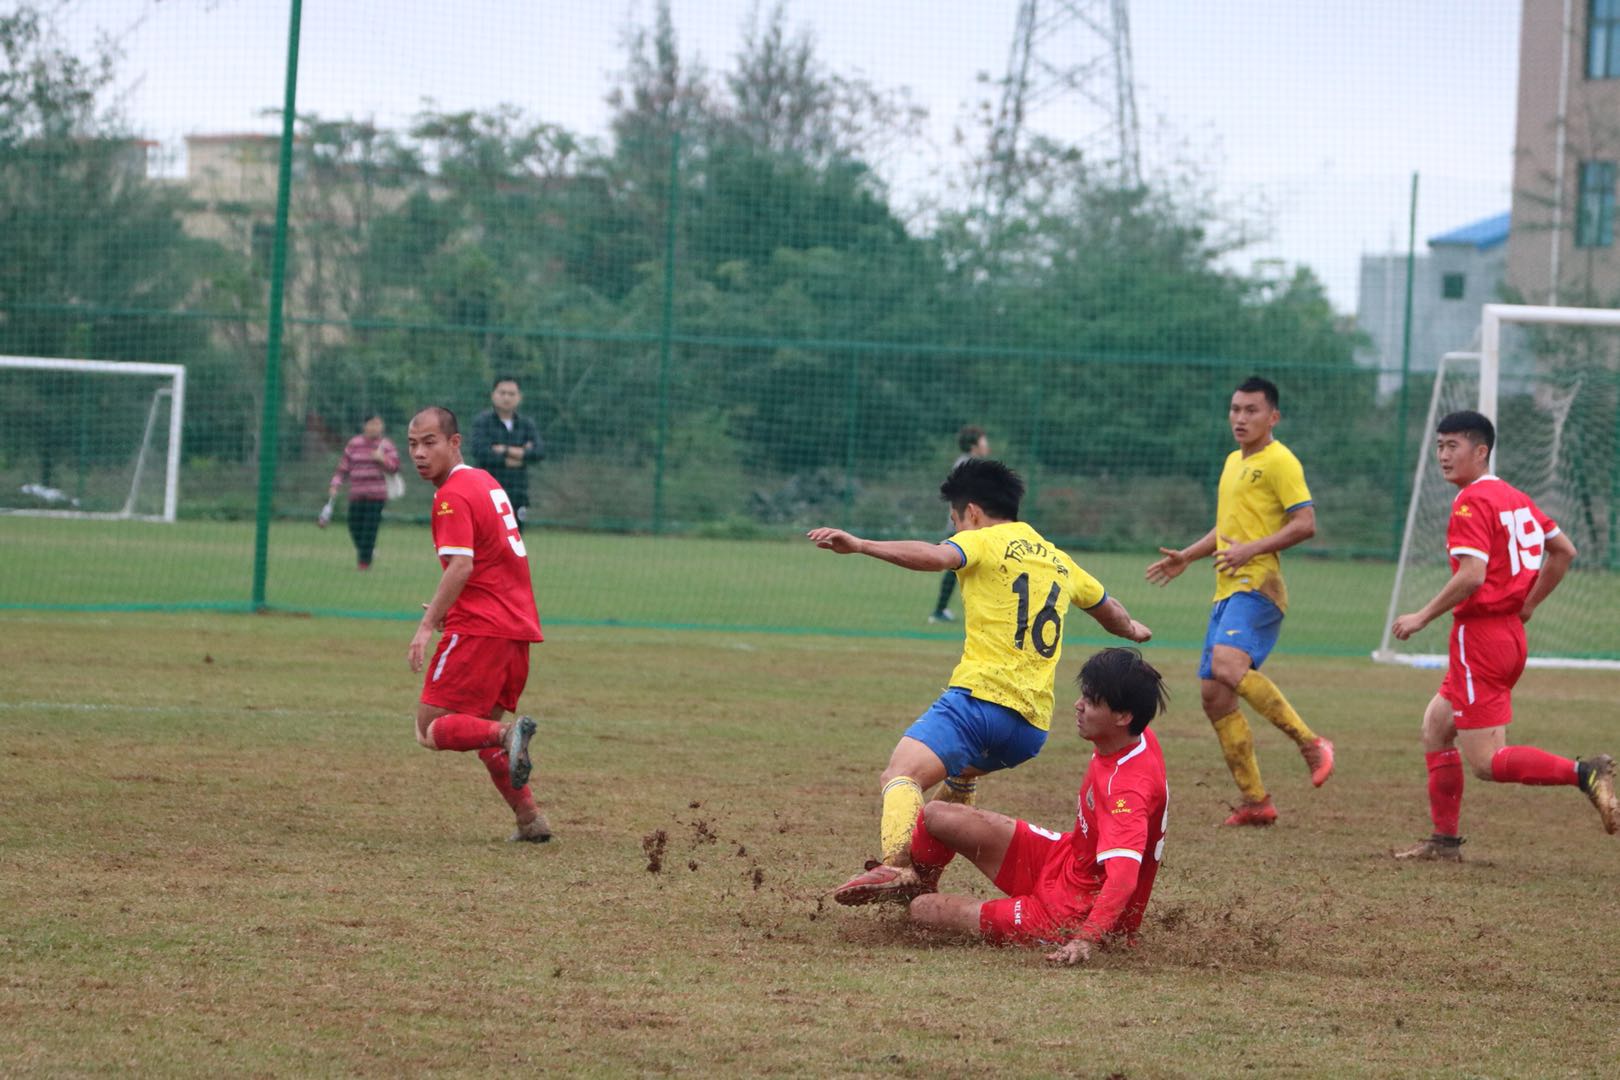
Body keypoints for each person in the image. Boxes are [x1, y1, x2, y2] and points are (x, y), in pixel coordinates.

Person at [807, 458, 1152, 904]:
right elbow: (1111, 610)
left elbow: (936, 557)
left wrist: (861, 545)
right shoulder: (1059, 559)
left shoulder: (983, 542)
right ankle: (926, 877)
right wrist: (1133, 631)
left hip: (978, 704)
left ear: (970, 512)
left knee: (901, 774)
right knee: (962, 776)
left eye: (954, 522)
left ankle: (896, 866)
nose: (954, 531)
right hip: (1029, 730)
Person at [1389, 409, 1616, 859]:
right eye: (1439, 446)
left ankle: (1585, 772)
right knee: (1436, 727)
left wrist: (1423, 616)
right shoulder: (1516, 498)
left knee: (1489, 762)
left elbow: (1472, 576)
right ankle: (1444, 842)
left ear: (1481, 451)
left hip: (1480, 640)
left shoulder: (1471, 502)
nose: (1443, 455)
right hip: (1507, 633)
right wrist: (1527, 604)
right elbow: (1563, 552)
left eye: (1453, 446)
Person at [893, 648, 1170, 965]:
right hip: (1063, 858)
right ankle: (914, 883)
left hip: (1069, 915)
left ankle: (917, 900)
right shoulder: (1135, 735)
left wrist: (1085, 939)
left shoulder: (1127, 791)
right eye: (1084, 695)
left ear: (1123, 717)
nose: (1078, 706)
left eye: (1092, 702)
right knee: (936, 816)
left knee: (923, 910)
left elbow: (1122, 880)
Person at [1145, 375, 1333, 827]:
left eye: (1251, 410)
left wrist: (1253, 549)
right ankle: (1256, 801)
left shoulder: (1280, 461)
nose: (1241, 418)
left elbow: (1305, 523)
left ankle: (1312, 743)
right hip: (1227, 589)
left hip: (1259, 587)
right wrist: (1188, 556)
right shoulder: (1233, 462)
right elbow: (1227, 530)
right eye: (1235, 409)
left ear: (1273, 417)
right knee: (1214, 695)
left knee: (1229, 668)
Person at [405, 405, 552, 843]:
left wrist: (428, 624)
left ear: (455, 443)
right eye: (412, 444)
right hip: (515, 628)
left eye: (430, 442)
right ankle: (530, 821)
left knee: (430, 729)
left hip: (481, 629)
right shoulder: (486, 482)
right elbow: (490, 560)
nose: (419, 453)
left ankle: (510, 734)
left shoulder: (451, 495)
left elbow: (462, 566)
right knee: (478, 732)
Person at [929, 425, 992, 624]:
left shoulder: (972, 464)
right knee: (957, 566)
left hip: (971, 524)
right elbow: (956, 497)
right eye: (983, 439)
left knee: (961, 567)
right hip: (965, 525)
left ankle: (941, 610)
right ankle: (939, 611)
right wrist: (960, 523)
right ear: (974, 444)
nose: (986, 444)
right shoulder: (966, 465)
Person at [323, 413, 400, 570]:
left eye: (379, 424)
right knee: (354, 525)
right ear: (365, 426)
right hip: (357, 494)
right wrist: (335, 485)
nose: (376, 427)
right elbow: (343, 468)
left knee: (369, 530)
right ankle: (368, 551)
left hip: (377, 496)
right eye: (372, 424)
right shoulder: (354, 444)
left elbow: (395, 467)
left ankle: (364, 564)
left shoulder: (386, 445)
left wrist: (382, 459)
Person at [469, 375, 544, 530]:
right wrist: (519, 455)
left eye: (511, 394)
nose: (506, 398)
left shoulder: (526, 424)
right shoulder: (482, 422)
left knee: (514, 543)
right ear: (493, 395)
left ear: (519, 397)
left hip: (518, 492)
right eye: (502, 393)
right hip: (487, 493)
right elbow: (480, 452)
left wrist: (504, 450)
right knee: (486, 542)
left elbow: (539, 452)